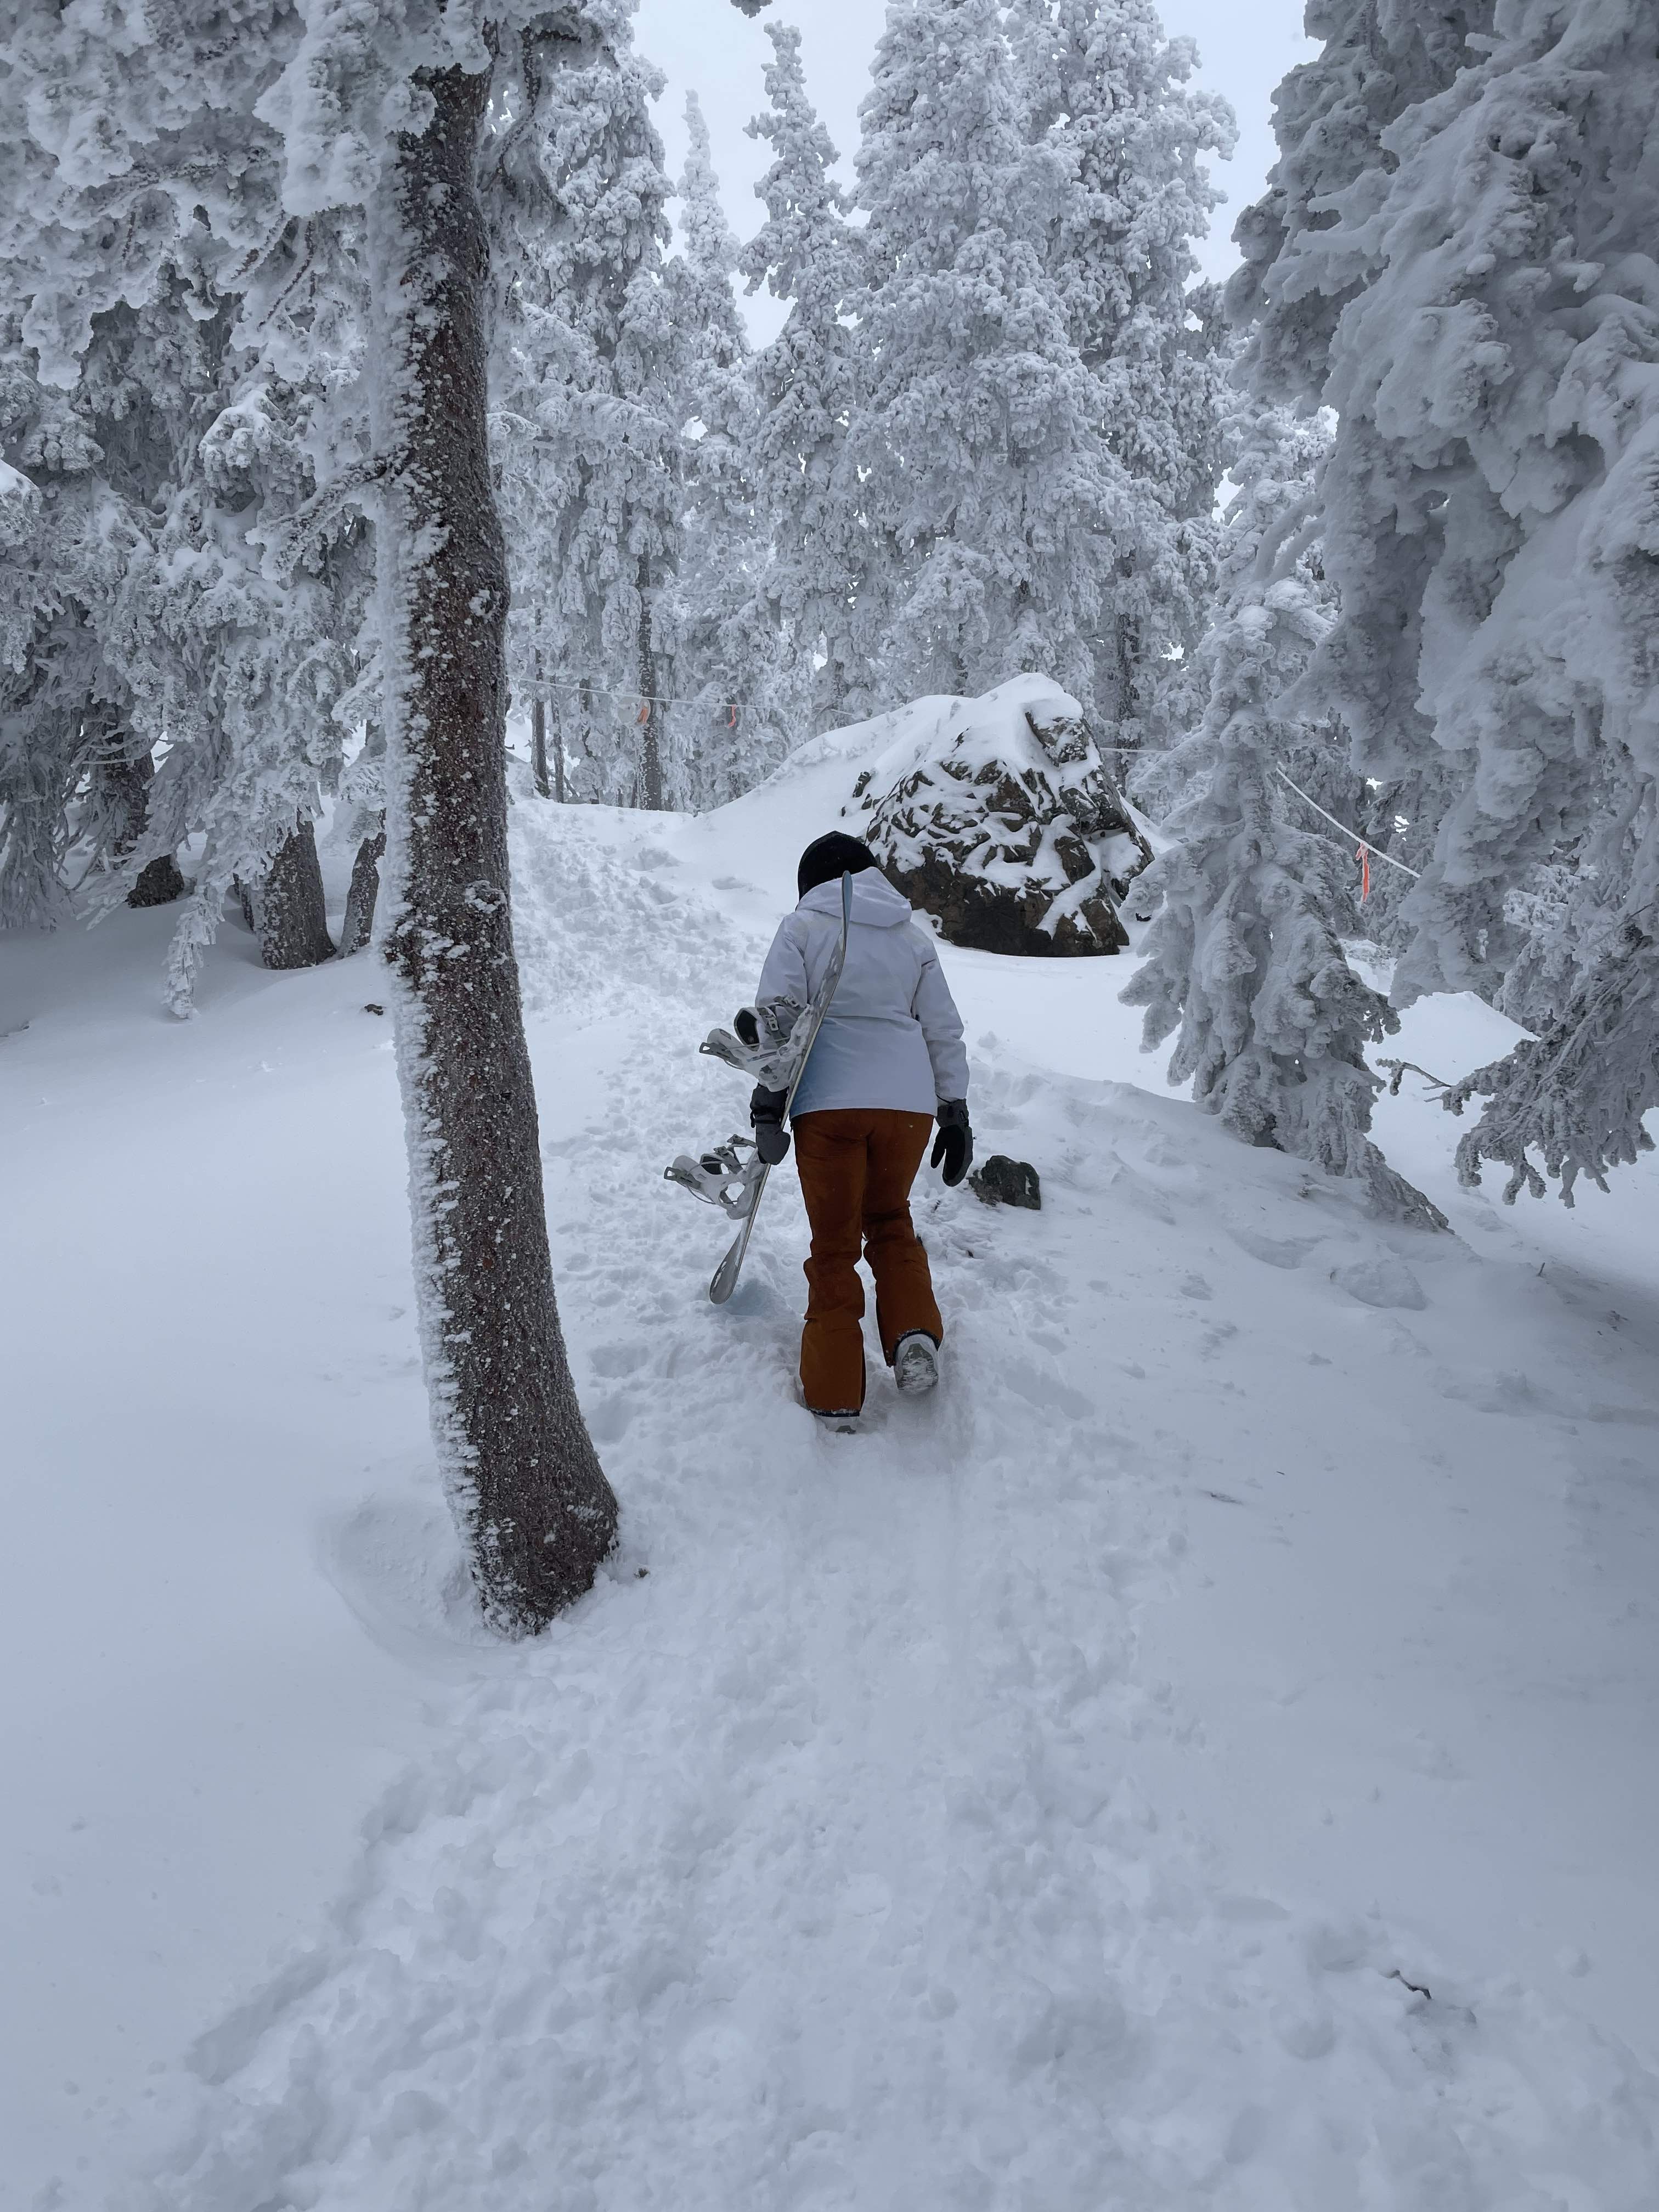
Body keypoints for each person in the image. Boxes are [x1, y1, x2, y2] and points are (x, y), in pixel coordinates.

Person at [749, 831, 973, 1421]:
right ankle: (914, 1334)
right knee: (891, 1222)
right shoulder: (911, 938)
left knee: (835, 1248)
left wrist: (768, 1106)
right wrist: (954, 1108)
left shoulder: (801, 930)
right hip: (907, 1109)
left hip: (829, 1107)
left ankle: (834, 1393)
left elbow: (780, 1022)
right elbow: (943, 1029)